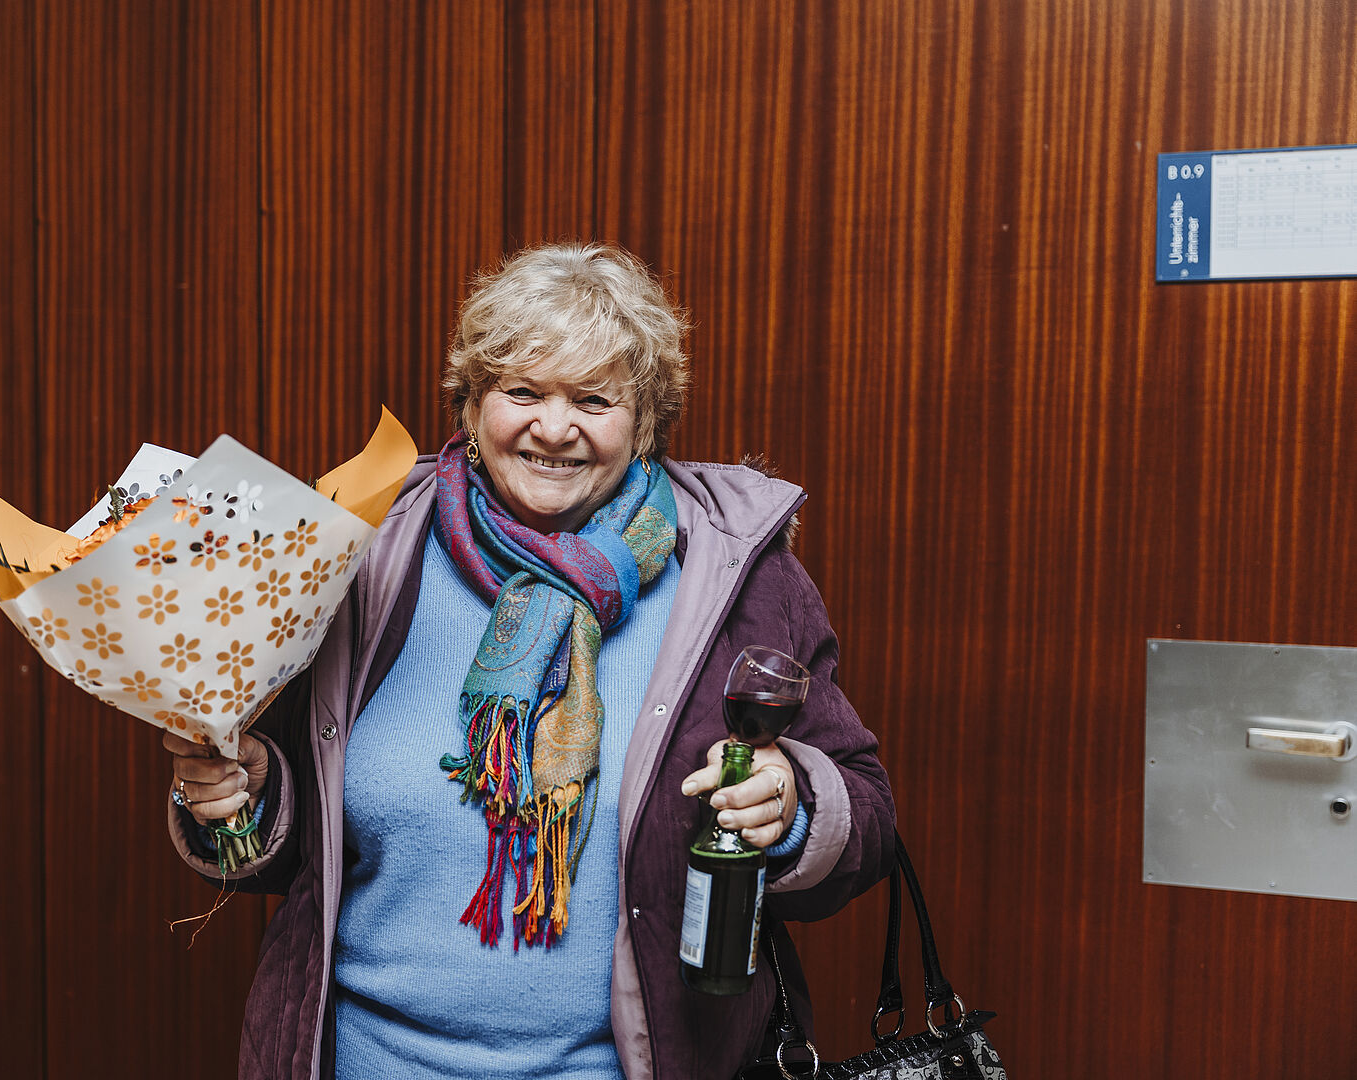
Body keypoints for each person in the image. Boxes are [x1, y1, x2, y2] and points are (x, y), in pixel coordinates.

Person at [164, 242, 894, 1080]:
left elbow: (866, 819)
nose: (553, 428)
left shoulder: (736, 571)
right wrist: (248, 797)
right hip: (372, 1059)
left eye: (593, 399)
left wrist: (791, 806)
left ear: (645, 424)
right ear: (471, 404)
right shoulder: (360, 553)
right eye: (521, 392)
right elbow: (296, 829)